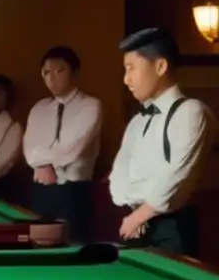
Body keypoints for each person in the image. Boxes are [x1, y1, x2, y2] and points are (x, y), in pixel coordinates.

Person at [108, 27, 216, 258]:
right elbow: (120, 169)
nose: (126, 79)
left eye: (131, 68)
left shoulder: (191, 111)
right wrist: (132, 208)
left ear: (160, 66)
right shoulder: (138, 120)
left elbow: (176, 175)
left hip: (171, 228)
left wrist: (141, 214)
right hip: (135, 225)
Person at [22, 46, 103, 242]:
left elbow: (73, 147)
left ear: (75, 73)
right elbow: (29, 145)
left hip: (73, 190)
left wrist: (48, 164)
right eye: (46, 73)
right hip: (41, 190)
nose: (52, 78)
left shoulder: (91, 105)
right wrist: (41, 165)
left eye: (60, 71)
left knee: (74, 245)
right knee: (38, 245)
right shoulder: (39, 108)